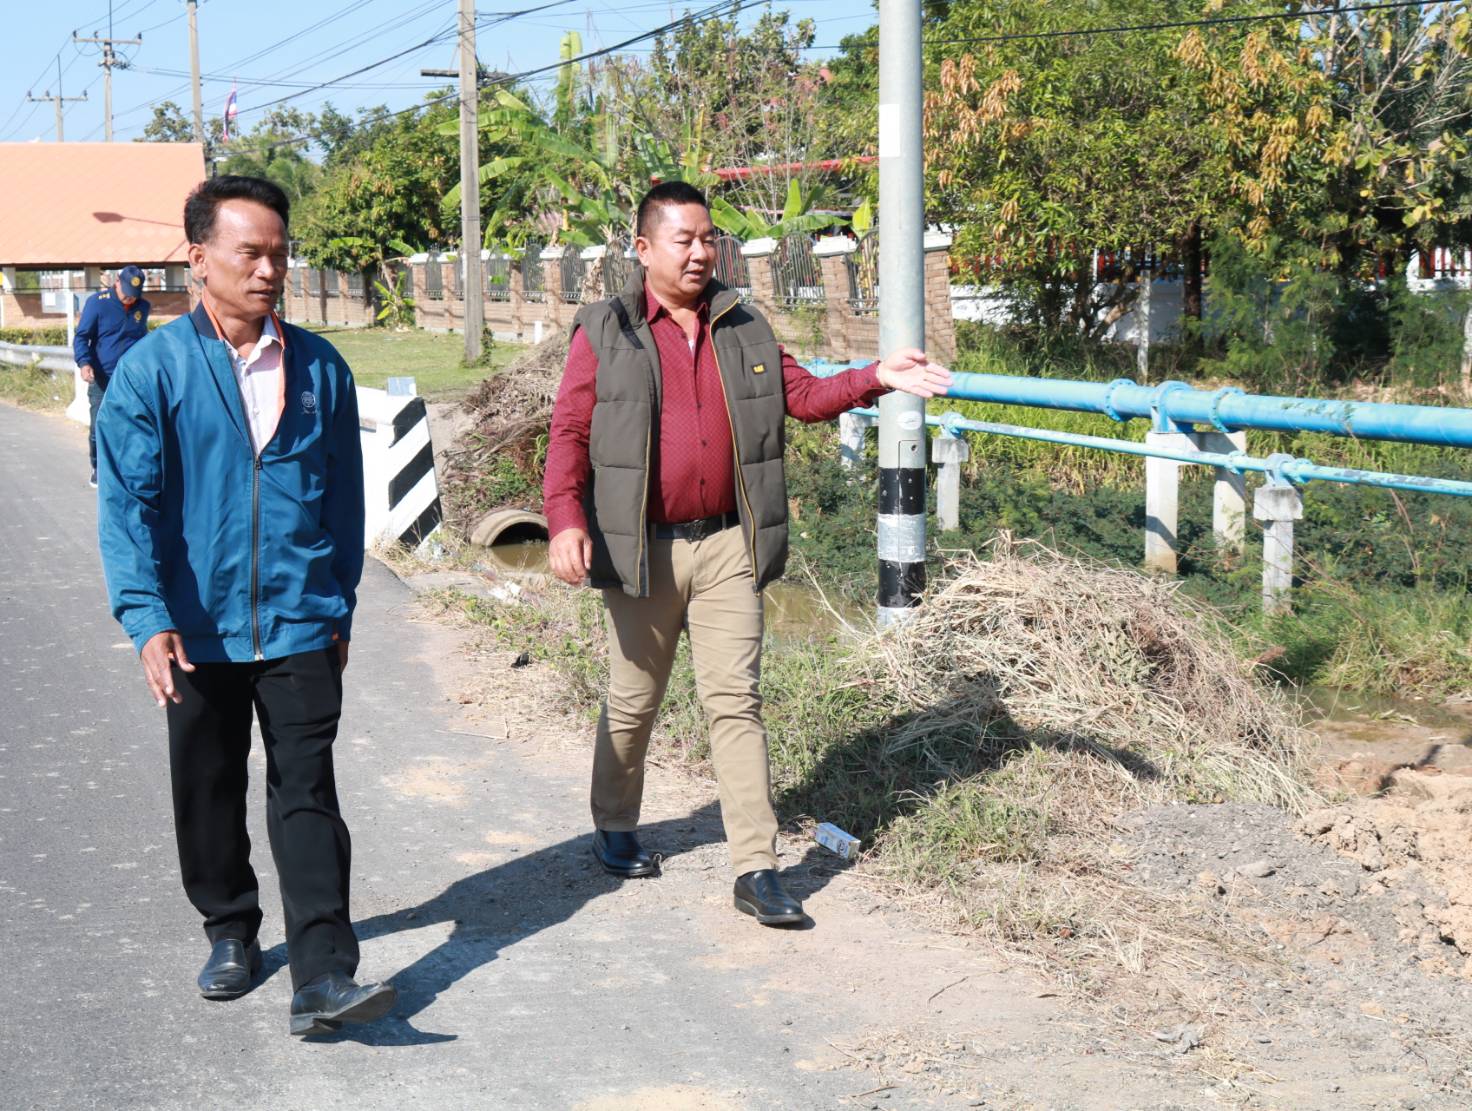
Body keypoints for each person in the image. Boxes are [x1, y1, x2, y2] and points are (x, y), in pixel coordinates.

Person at [543, 181, 952, 925]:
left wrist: (876, 378)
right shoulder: (605, 329)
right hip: (642, 549)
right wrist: (565, 519)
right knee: (634, 699)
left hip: (730, 540)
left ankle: (756, 869)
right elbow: (569, 431)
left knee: (736, 701)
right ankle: (614, 819)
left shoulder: (743, 323)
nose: (701, 252)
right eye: (685, 240)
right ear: (644, 248)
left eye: (709, 239)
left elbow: (802, 396)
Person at [95, 175, 396, 1036]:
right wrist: (147, 618)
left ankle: (323, 972)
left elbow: (344, 503)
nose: (270, 270)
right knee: (209, 782)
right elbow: (126, 507)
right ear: (199, 259)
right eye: (251, 253)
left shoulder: (321, 368)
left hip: (301, 618)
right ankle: (229, 926)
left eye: (280, 254)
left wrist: (338, 607)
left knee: (307, 790)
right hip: (195, 624)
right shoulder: (152, 372)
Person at [74, 264, 150, 487]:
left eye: (134, 294)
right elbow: (82, 337)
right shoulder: (98, 303)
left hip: (130, 379)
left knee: (131, 425)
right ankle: (98, 466)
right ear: (117, 282)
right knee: (99, 426)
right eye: (126, 293)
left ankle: (127, 468)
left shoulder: (142, 306)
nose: (130, 298)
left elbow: (141, 339)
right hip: (102, 377)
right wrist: (84, 363)